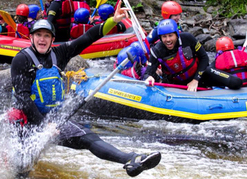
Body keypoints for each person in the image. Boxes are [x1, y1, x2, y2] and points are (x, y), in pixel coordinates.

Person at [9, 1, 161, 177]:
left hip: (52, 118)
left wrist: (112, 20)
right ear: (31, 38)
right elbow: (23, 98)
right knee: (23, 168)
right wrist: (45, 125)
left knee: (89, 138)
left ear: (52, 39)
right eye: (38, 35)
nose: (42, 39)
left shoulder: (59, 54)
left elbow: (87, 38)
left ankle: (131, 159)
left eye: (46, 36)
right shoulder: (22, 60)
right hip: (27, 121)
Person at [144, 19, 242, 91]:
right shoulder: (157, 50)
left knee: (236, 82)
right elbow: (149, 73)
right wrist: (150, 77)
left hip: (200, 75)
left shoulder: (188, 38)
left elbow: (204, 58)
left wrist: (195, 80)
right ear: (160, 38)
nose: (168, 40)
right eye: (164, 37)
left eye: (170, 35)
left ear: (176, 34)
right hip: (177, 83)